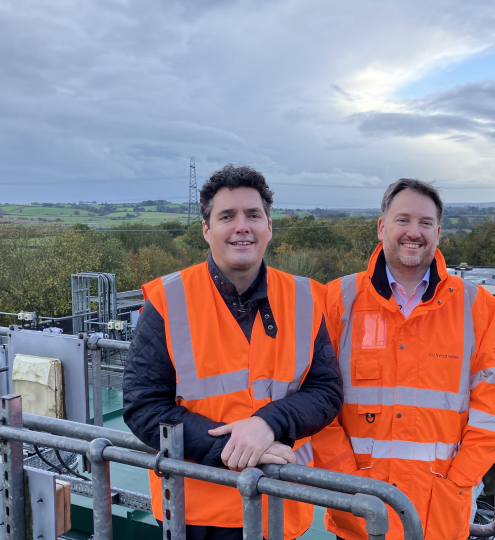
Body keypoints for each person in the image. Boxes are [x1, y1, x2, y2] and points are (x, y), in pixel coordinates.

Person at [123, 164, 343, 540]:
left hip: (278, 506)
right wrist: (232, 447)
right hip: (195, 513)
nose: (242, 226)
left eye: (253, 215)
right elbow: (143, 406)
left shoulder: (306, 298)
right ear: (207, 230)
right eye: (227, 216)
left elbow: (326, 392)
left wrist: (267, 423)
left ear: (268, 227)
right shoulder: (168, 301)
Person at [312, 179, 495, 540]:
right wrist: (345, 479)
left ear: (438, 233)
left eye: (424, 223)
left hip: (439, 515)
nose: (413, 232)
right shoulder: (336, 300)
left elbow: (494, 409)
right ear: (381, 227)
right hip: (358, 514)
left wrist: (460, 479)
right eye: (402, 220)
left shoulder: (477, 307)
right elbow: (316, 399)